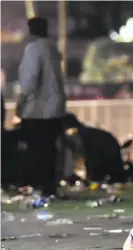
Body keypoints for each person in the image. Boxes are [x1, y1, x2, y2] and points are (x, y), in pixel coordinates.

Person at [16, 17, 66, 196]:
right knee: (50, 150)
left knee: (36, 151)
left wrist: (20, 102)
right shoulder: (53, 48)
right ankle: (50, 186)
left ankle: (38, 186)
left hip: (37, 111)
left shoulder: (33, 49)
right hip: (55, 110)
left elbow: (29, 81)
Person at [63, 113, 126, 184]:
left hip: (100, 156)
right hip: (110, 153)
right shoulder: (92, 132)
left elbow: (85, 153)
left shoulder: (74, 134)